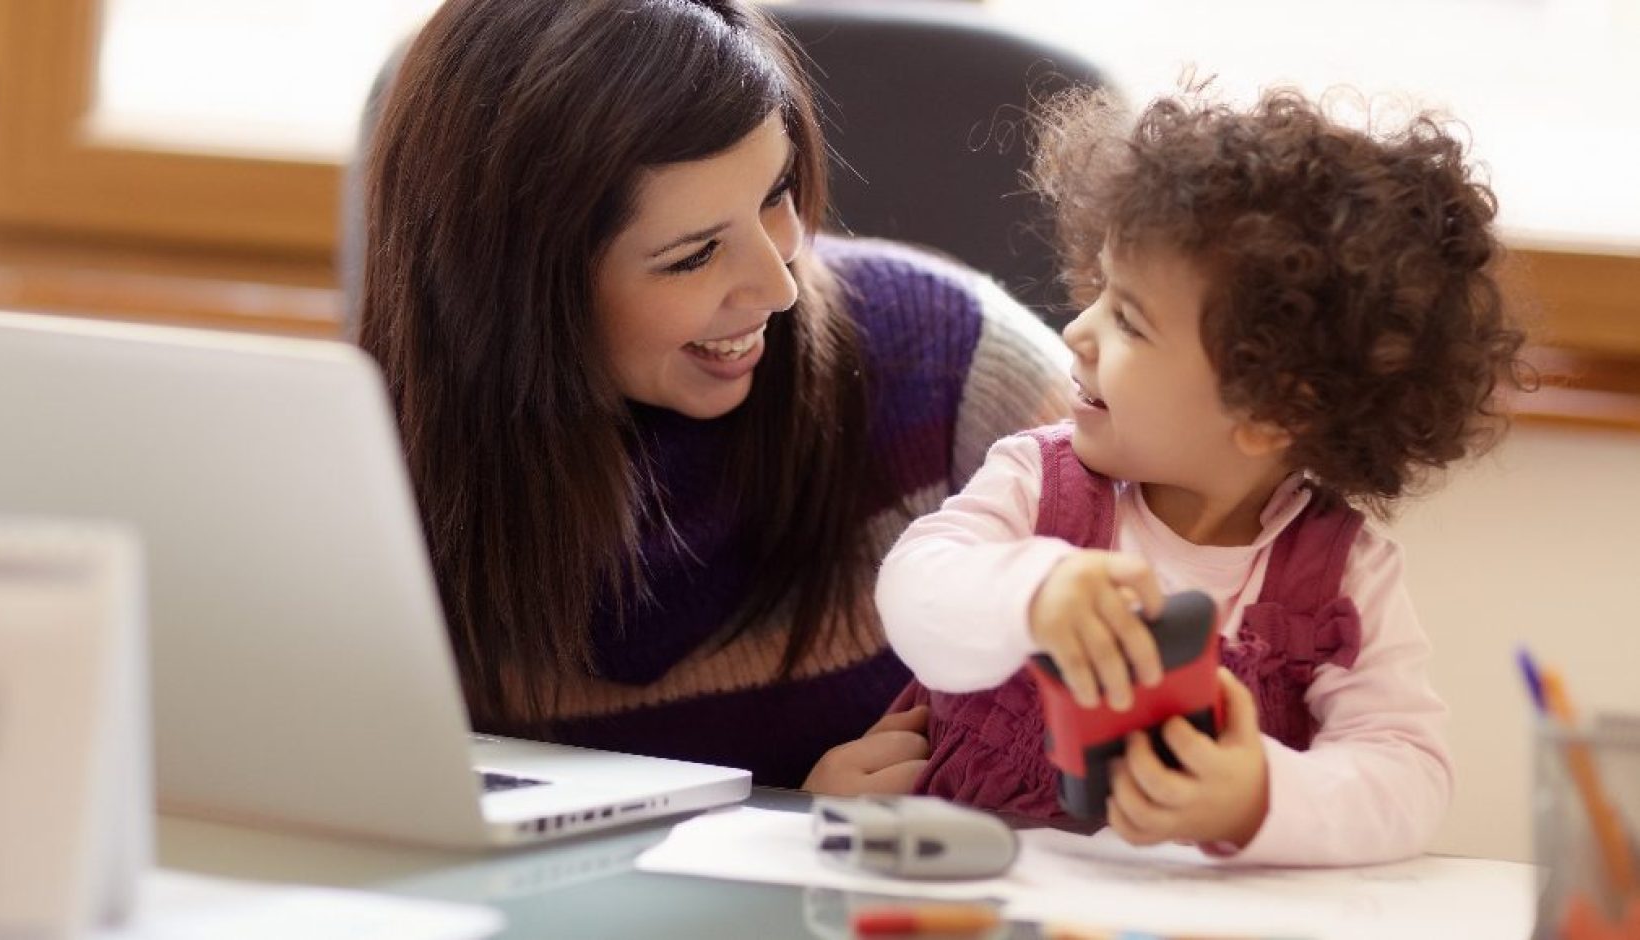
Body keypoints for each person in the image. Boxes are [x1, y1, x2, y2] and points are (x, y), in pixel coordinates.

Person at [356, 0, 1071, 791]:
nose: (778, 285)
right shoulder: (363, 469)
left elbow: (1210, 625)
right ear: (514, 291)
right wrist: (790, 829)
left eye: (777, 194)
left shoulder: (955, 363)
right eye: (695, 256)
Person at [876, 84, 1530, 863]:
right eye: (1098, 294)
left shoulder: (1342, 582)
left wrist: (1258, 795)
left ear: (1270, 412)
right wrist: (1032, 594)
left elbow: (1407, 774)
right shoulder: (1038, 483)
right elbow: (913, 592)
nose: (1077, 332)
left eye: (1128, 319)